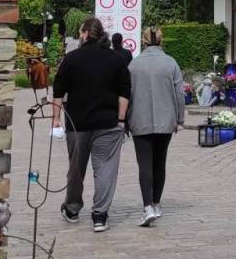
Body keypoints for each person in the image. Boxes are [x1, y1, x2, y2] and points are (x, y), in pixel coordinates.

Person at [52, 17, 131, 233]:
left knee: (76, 169)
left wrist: (55, 119)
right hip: (109, 123)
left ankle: (72, 209)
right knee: (105, 169)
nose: (79, 36)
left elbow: (58, 91)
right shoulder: (116, 59)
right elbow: (124, 92)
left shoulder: (72, 59)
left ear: (86, 33)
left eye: (80, 32)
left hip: (78, 123)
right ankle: (100, 215)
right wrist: (121, 119)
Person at [125, 26, 186, 227]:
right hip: (165, 120)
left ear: (143, 41)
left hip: (139, 119)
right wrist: (180, 119)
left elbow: (126, 94)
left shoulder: (134, 64)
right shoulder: (171, 63)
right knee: (160, 162)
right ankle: (157, 203)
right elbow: (179, 94)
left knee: (144, 164)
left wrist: (124, 119)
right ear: (161, 40)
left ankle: (147, 207)